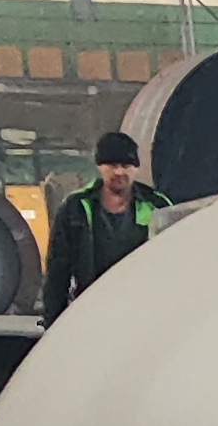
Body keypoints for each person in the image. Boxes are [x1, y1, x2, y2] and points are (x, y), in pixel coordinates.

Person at [42, 129, 166, 321]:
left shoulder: (158, 206)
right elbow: (58, 272)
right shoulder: (76, 208)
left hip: (144, 312)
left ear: (136, 168)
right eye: (112, 165)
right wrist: (53, 322)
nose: (119, 172)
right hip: (92, 311)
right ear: (100, 166)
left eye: (126, 165)